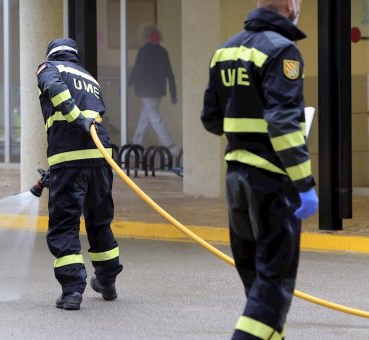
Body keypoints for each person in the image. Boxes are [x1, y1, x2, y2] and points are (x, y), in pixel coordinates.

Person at [201, 0, 318, 338]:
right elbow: (283, 124)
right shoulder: (284, 51)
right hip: (270, 180)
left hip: (236, 178)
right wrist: (305, 183)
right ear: (288, 5)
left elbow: (211, 120)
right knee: (273, 285)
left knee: (257, 284)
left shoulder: (225, 51)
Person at [36, 38, 123, 311]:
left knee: (64, 225)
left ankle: (72, 291)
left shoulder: (48, 68)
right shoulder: (89, 77)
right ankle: (107, 281)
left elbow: (55, 91)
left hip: (69, 158)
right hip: (99, 159)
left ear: (52, 54)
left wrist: (76, 118)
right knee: (100, 221)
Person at [128, 24, 179, 157]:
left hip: (146, 91)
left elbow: (137, 70)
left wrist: (127, 84)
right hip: (157, 91)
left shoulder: (144, 51)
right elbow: (170, 74)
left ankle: (170, 146)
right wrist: (173, 93)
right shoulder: (163, 51)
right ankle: (136, 146)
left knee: (155, 118)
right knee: (146, 118)